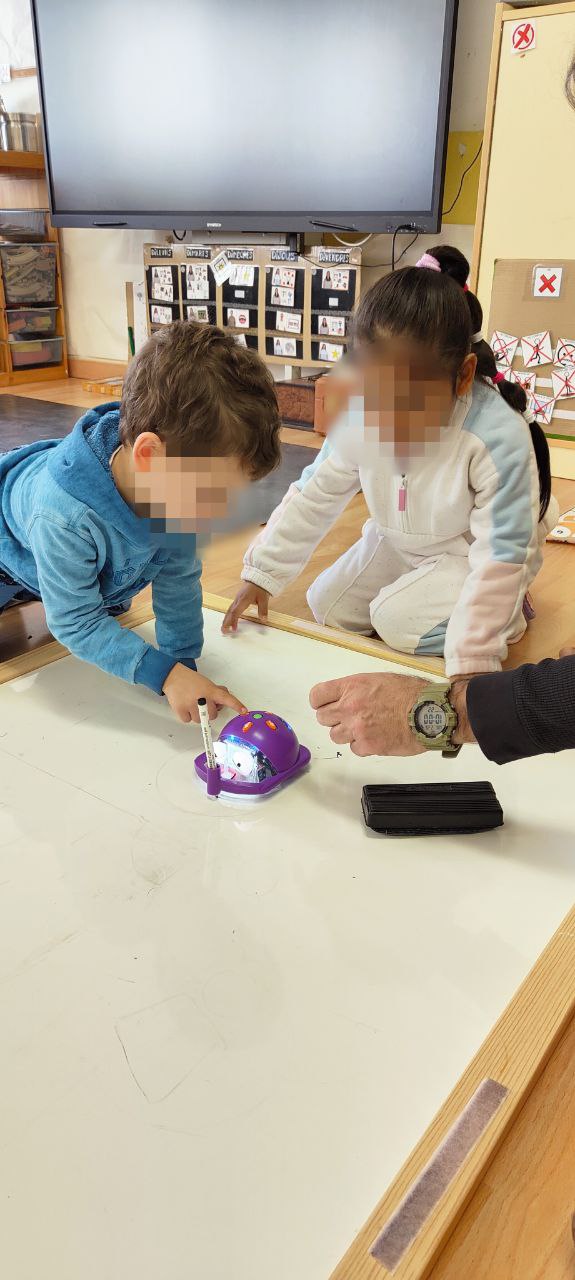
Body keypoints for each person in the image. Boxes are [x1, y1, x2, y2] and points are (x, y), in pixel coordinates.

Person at [223, 259, 552, 681]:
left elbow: (501, 554)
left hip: (467, 554)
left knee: (396, 624)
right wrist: (261, 573)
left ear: (463, 375)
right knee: (327, 604)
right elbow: (315, 493)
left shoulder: (496, 436)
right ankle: (420, 596)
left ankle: (512, 613)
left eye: (410, 403)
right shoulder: (360, 416)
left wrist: (473, 659)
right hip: (398, 542)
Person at [0, 321, 281, 724]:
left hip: (71, 540)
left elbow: (178, 580)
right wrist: (164, 675)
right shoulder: (64, 516)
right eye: (214, 494)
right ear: (149, 456)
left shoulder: (176, 487)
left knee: (107, 606)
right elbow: (75, 622)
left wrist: (181, 665)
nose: (221, 513)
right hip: (8, 544)